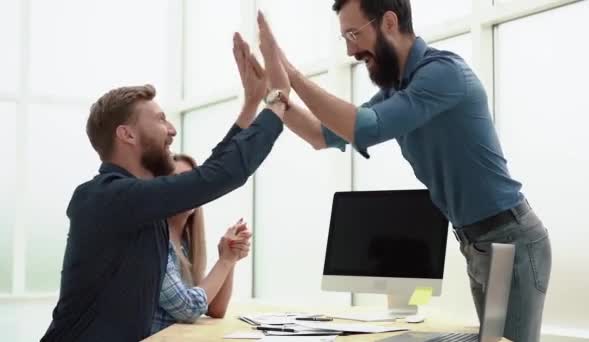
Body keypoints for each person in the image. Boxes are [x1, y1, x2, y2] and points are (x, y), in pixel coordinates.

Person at [253, 1, 551, 341]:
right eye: (345, 38)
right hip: (478, 242)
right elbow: (320, 136)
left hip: (509, 238)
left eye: (354, 34)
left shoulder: (443, 73)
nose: (351, 50)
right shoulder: (398, 91)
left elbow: (365, 127)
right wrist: (272, 92)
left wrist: (289, 72)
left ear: (389, 22)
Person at [41, 34, 287, 341]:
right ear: (127, 134)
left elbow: (211, 170)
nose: (171, 130)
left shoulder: (141, 203)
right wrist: (277, 100)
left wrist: (251, 105)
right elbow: (219, 175)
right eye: (160, 120)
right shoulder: (107, 197)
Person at [150, 153, 252, 334]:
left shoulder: (184, 243)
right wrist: (225, 262)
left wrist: (230, 255)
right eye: (178, 181)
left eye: (192, 182)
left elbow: (215, 310)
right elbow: (189, 309)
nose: (188, 189)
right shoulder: (155, 241)